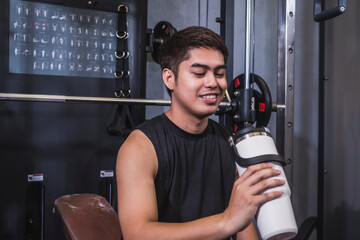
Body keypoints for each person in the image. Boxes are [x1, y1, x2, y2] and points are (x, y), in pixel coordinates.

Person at [116, 26, 285, 240]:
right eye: (199, 73)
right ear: (169, 79)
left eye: (220, 73)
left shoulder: (229, 143)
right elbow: (137, 234)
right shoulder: (140, 147)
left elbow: (241, 222)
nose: (213, 83)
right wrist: (226, 221)